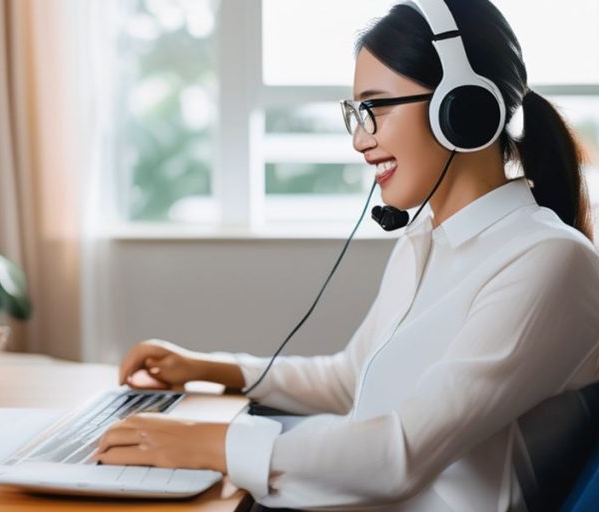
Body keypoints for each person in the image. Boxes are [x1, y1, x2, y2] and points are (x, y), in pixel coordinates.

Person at [95, 1, 599, 510]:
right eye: (357, 113)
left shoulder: (546, 261)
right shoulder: (423, 242)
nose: (360, 140)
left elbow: (400, 452)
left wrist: (212, 445)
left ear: (464, 110)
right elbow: (348, 381)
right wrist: (214, 368)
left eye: (376, 108)